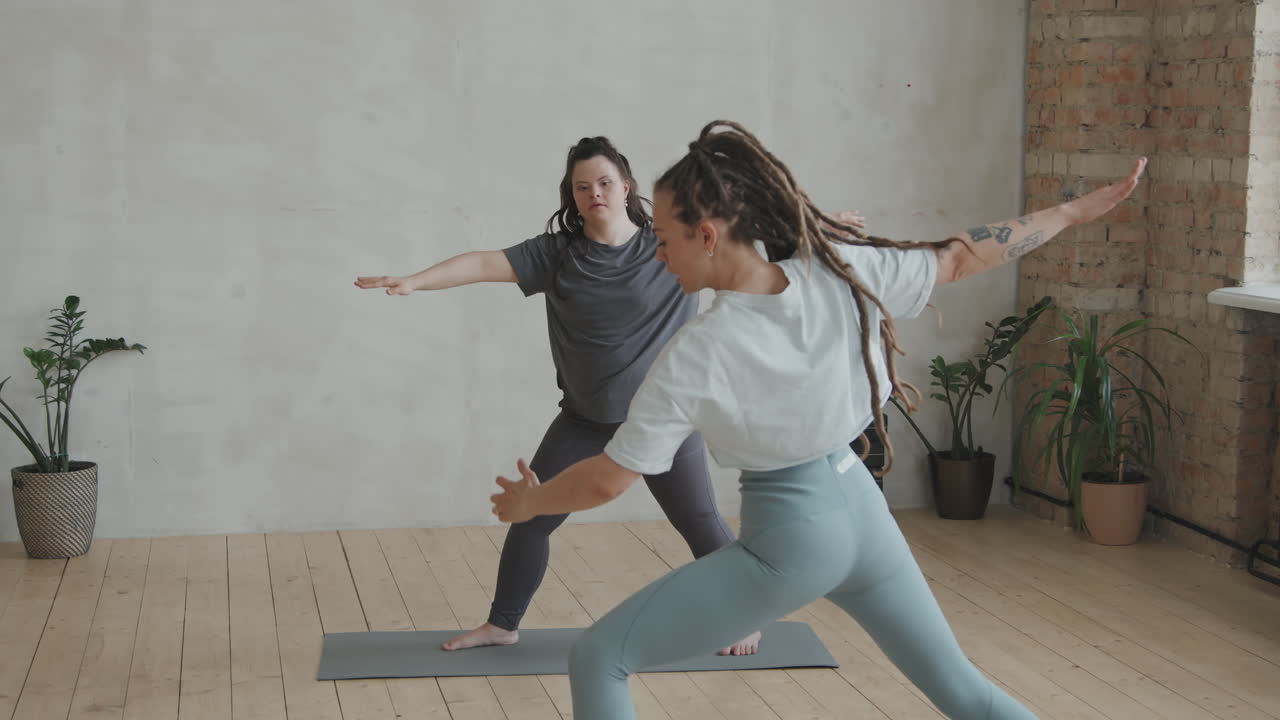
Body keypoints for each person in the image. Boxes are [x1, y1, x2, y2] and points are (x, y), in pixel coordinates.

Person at [491, 120, 1146, 718]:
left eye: (663, 239)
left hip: (795, 536)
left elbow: (610, 478)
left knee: (600, 657)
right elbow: (959, 256)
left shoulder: (699, 351)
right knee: (963, 690)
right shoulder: (838, 271)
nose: (657, 254)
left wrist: (534, 503)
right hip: (862, 511)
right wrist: (1069, 212)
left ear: (708, 235)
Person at [356, 135, 810, 654]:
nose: (594, 192)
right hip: (585, 420)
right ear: (572, 196)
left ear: (626, 186)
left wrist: (809, 231)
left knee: (700, 525)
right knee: (530, 517)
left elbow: (744, 249)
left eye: (604, 182)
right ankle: (502, 624)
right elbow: (484, 263)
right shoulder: (557, 254)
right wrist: (416, 281)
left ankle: (744, 616)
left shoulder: (668, 246)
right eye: (582, 186)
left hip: (661, 422)